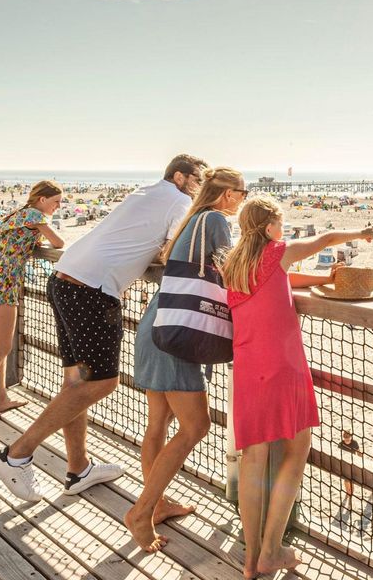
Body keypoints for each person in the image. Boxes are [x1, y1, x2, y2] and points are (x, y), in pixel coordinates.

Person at [0, 154, 206, 502]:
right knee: (103, 382)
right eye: (198, 181)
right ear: (180, 177)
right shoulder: (179, 201)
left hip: (65, 279)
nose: (200, 189)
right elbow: (173, 250)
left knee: (77, 381)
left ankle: (79, 469)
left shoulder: (145, 191)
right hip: (93, 289)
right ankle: (16, 454)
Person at [223, 195, 373, 576]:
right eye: (281, 222)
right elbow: (324, 240)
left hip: (246, 366)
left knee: (252, 461)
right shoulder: (278, 250)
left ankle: (251, 554)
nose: (284, 229)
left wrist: (324, 278)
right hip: (282, 365)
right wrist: (362, 232)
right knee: (297, 449)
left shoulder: (235, 263)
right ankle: (272, 549)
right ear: (270, 226)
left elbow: (282, 280)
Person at [124, 167, 247, 552]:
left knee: (158, 422)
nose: (243, 198)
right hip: (179, 331)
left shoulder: (192, 217)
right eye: (242, 192)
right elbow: (233, 270)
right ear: (227, 195)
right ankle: (140, 512)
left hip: (159, 322)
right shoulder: (214, 220)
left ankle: (157, 505)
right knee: (196, 427)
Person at [0, 181, 65, 423]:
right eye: (56, 201)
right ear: (42, 200)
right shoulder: (34, 214)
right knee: (0, 349)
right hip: (3, 284)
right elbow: (59, 244)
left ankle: (0, 399)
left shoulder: (20, 215)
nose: (58, 207)